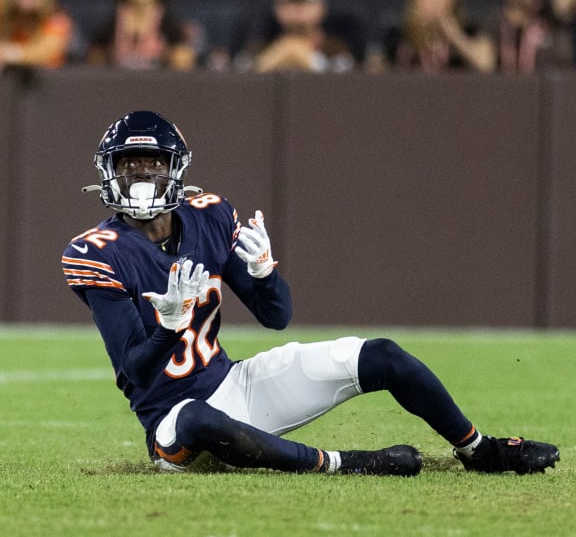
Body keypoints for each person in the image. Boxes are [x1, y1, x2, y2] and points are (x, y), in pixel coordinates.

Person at [62, 110, 561, 476]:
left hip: (233, 384)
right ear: (109, 172)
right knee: (195, 417)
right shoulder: (97, 251)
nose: (142, 177)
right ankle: (349, 463)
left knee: (380, 355)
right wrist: (169, 331)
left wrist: (263, 274)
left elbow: (276, 315)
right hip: (174, 422)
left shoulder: (209, 215)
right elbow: (136, 369)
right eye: (130, 165)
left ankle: (481, 450)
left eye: (152, 164)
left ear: (176, 169)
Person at [378, 0, 495, 72]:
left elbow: (486, 64)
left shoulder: (469, 30)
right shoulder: (397, 31)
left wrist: (454, 35)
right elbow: (376, 71)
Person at [241, 0, 356, 73]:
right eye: (290, 3)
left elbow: (344, 81)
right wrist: (279, 54)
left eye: (305, 3)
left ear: (322, 8)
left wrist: (308, 59)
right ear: (276, 9)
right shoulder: (258, 49)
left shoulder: (337, 49)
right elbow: (242, 76)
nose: (297, 9)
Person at [484, 0, 573, 73]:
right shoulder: (492, 23)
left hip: (554, 88)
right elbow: (483, 63)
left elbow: (567, 0)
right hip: (501, 88)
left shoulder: (554, 17)